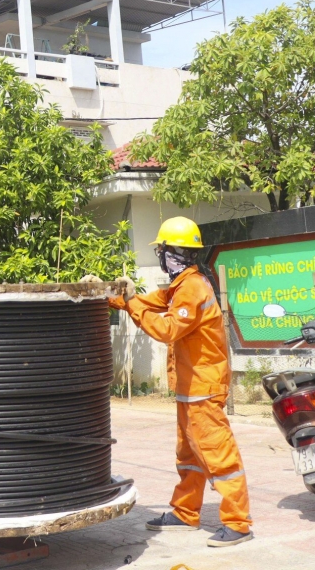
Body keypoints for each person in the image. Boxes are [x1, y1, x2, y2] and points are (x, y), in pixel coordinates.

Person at [110, 216, 253, 548]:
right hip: (192, 389)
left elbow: (167, 329)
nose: (161, 256)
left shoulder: (192, 288)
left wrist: (130, 303)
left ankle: (238, 522)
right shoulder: (181, 286)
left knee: (218, 456)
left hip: (204, 387)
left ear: (170, 253)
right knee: (189, 455)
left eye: (161, 250)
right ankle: (186, 512)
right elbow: (151, 303)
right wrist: (111, 295)